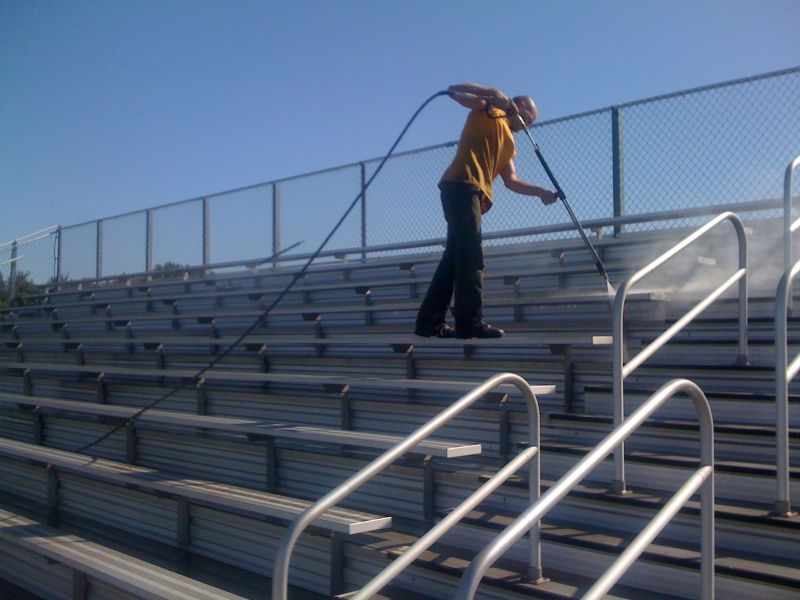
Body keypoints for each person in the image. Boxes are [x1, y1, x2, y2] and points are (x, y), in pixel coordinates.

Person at [414, 83, 557, 339]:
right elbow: (455, 91)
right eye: (528, 119)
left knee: (454, 258)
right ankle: (469, 322)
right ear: (519, 106)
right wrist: (493, 93)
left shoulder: (509, 143)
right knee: (471, 254)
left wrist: (542, 192)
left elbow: (512, 181)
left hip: (471, 192)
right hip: (461, 184)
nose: (528, 126)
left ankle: (429, 322)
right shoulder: (490, 110)